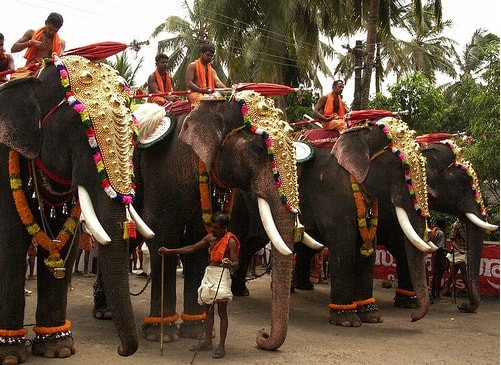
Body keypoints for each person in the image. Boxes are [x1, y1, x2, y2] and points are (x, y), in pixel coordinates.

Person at [158, 212, 240, 359]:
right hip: (210, 273)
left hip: (222, 275)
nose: (213, 230)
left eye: (216, 228)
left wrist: (229, 264)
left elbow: (236, 263)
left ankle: (221, 346)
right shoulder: (210, 238)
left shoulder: (230, 241)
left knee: (222, 311)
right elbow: (192, 248)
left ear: (225, 228)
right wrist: (170, 251)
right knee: (207, 309)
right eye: (212, 226)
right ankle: (208, 342)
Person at [10, 12, 65, 80]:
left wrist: (56, 56)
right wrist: (30, 42)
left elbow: (61, 60)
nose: (51, 32)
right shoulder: (31, 33)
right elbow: (13, 49)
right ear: (46, 23)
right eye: (50, 29)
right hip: (30, 69)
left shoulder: (61, 43)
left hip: (48, 71)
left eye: (55, 31)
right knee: (15, 80)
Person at [444, 219, 469, 296]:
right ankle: (470, 291)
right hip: (458, 253)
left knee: (453, 273)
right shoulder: (455, 225)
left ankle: (447, 289)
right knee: (464, 273)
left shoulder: (465, 225)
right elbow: (452, 240)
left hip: (464, 251)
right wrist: (459, 249)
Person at [430, 219, 449, 302]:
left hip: (435, 254)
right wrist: (448, 251)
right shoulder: (441, 233)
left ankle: (433, 293)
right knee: (438, 276)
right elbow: (440, 247)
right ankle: (438, 295)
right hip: (439, 256)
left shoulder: (435, 231)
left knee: (435, 275)